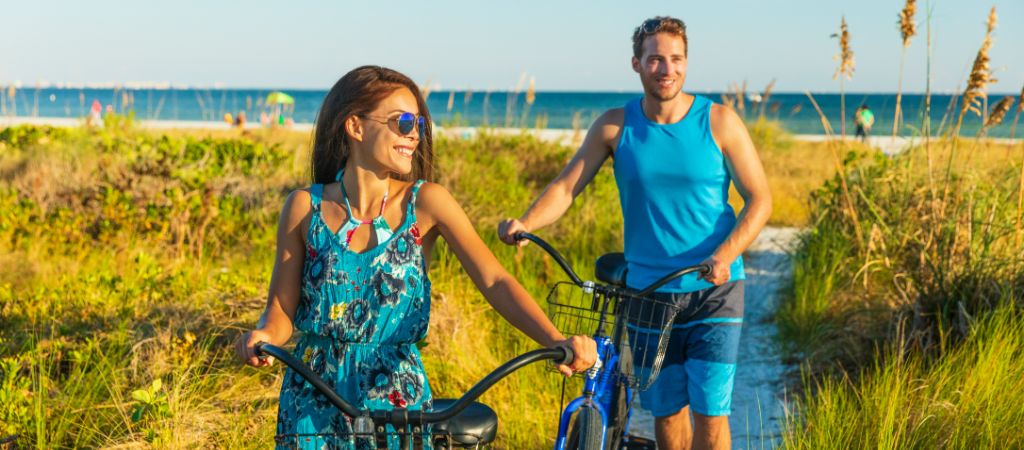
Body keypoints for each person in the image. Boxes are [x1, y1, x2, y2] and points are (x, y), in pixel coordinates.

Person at [234, 65, 597, 449]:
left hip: (395, 401)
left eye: (418, 124)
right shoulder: (304, 207)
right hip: (312, 402)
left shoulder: (426, 202)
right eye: (402, 121)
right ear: (355, 126)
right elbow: (280, 307)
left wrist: (557, 339)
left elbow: (495, 280)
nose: (413, 134)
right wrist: (265, 335)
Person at [498, 17, 771, 450]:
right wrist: (526, 223)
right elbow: (567, 187)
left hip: (714, 290)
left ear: (686, 62)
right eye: (656, 59)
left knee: (712, 414)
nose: (667, 69)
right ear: (637, 64)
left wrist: (726, 253)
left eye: (676, 59)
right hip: (647, 294)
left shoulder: (720, 122)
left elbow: (760, 200)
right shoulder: (614, 126)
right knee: (666, 416)